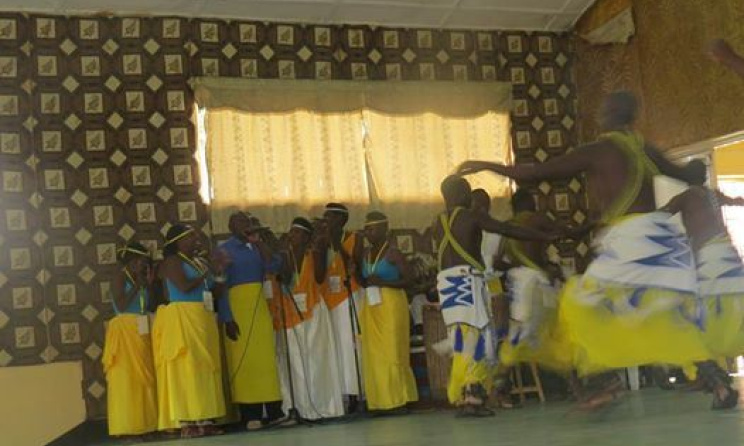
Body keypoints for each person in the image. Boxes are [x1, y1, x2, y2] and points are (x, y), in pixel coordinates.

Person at [458, 91, 713, 406]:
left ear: (615, 113)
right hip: (661, 237)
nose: (601, 112)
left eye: (606, 108)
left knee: (580, 304)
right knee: (668, 309)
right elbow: (688, 175)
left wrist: (487, 165)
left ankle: (602, 380)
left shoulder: (598, 150)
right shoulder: (645, 150)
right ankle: (715, 379)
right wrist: (699, 169)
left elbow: (535, 174)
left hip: (629, 240)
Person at [432, 176, 555, 417]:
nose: (470, 198)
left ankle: (463, 395)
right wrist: (540, 236)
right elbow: (505, 229)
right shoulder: (470, 216)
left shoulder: (437, 222)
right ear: (458, 195)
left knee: (460, 336)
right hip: (467, 280)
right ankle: (472, 396)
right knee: (477, 336)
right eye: (467, 193)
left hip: (446, 283)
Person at [661, 166, 744, 409]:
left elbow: (659, 216)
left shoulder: (686, 197)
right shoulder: (713, 195)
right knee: (726, 319)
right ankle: (713, 380)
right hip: (730, 260)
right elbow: (738, 201)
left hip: (707, 263)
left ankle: (717, 384)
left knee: (688, 323)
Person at [153, 225, 226, 437]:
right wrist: (207, 271)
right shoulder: (172, 261)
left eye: (195, 236)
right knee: (187, 369)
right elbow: (184, 287)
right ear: (177, 242)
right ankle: (188, 421)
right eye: (190, 237)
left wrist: (219, 273)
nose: (196, 239)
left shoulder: (199, 262)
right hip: (182, 317)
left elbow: (216, 291)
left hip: (202, 316)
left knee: (205, 367)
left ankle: (206, 418)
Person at [217, 211, 285, 430]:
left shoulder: (256, 246)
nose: (244, 225)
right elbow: (221, 287)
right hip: (238, 308)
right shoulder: (224, 250)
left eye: (247, 221)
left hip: (259, 306)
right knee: (244, 362)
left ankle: (274, 411)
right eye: (239, 222)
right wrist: (227, 317)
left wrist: (259, 243)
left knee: (265, 360)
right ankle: (250, 414)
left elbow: (274, 266)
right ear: (230, 226)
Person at [275, 217, 345, 420]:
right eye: (292, 232)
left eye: (297, 233)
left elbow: (321, 277)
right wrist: (284, 255)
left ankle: (321, 406)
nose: (292, 236)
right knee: (295, 362)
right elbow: (286, 279)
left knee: (316, 360)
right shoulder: (285, 255)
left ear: (306, 237)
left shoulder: (314, 254)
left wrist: (321, 249)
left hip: (314, 313)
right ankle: (298, 407)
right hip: (291, 312)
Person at [497, 189, 573, 374]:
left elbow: (497, 262)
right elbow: (563, 233)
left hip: (520, 285)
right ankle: (575, 386)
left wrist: (518, 266)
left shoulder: (507, 227)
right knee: (555, 331)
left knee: (521, 334)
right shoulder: (538, 219)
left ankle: (500, 381)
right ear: (529, 203)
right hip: (537, 285)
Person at [357, 211, 419, 413]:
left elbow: (410, 280)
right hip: (372, 307)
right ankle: (379, 402)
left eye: (371, 229)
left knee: (393, 352)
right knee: (374, 355)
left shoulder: (393, 253)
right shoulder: (365, 254)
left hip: (392, 305)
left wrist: (384, 282)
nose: (367, 233)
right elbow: (364, 280)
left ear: (384, 229)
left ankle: (399, 399)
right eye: (366, 229)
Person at [102, 242, 158, 438]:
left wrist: (148, 286)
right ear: (133, 262)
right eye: (143, 261)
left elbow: (146, 305)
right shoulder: (120, 277)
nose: (144, 265)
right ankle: (129, 426)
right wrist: (137, 285)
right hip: (124, 332)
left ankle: (146, 424)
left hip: (141, 330)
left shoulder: (140, 278)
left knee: (145, 379)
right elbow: (122, 305)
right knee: (127, 381)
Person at [321, 203, 364, 412]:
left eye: (329, 217)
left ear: (341, 219)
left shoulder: (354, 237)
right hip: (329, 301)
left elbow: (355, 263)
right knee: (337, 348)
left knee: (350, 347)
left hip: (349, 296)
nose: (326, 221)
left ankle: (358, 393)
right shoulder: (323, 242)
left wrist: (338, 244)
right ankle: (344, 394)